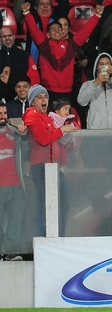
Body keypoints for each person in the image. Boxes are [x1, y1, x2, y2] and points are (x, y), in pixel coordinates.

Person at [22, 2, 104, 105]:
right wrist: (26, 13)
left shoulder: (71, 45)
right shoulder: (44, 45)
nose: (57, 30)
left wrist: (96, 16)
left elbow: (85, 32)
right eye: (53, 29)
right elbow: (33, 29)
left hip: (67, 92)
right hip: (48, 90)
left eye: (59, 29)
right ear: (47, 34)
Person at [22, 84, 76, 236]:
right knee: (45, 205)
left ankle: (59, 237)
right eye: (39, 97)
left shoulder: (48, 117)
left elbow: (56, 139)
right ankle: (46, 237)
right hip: (41, 167)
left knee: (63, 205)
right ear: (32, 101)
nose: (43, 99)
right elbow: (43, 139)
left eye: (45, 96)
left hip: (54, 167)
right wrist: (62, 130)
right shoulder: (32, 114)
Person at [0, 103, 27, 261]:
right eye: (0, 113)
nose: (3, 116)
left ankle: (10, 252)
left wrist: (24, 136)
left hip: (15, 184)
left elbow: (26, 152)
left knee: (17, 218)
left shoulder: (14, 132)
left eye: (4, 113)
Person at [77, 53, 112, 129]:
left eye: (108, 64)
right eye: (101, 64)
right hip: (96, 131)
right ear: (97, 67)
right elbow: (81, 101)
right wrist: (96, 83)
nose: (105, 66)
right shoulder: (89, 84)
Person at [23, 0, 70, 64]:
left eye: (48, 4)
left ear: (51, 7)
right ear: (36, 7)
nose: (45, 6)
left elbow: (64, 5)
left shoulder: (57, 18)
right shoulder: (33, 17)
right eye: (42, 4)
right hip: (34, 63)